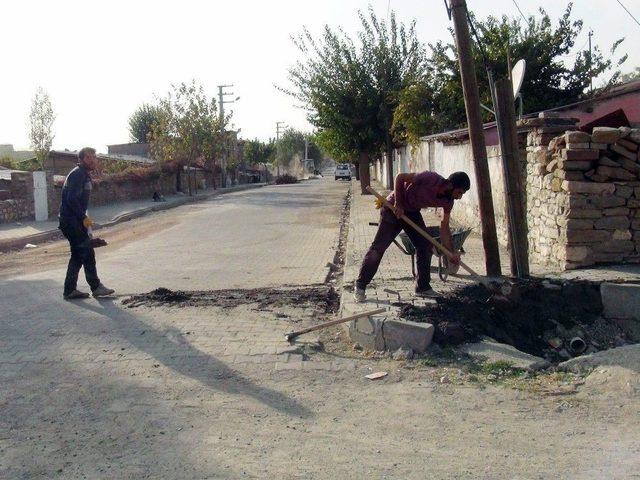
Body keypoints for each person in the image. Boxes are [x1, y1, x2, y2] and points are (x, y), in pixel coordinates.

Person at [354, 170, 471, 302]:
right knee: (378, 247)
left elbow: (444, 227)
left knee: (425, 246)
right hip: (393, 207)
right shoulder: (430, 178)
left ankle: (422, 287)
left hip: (412, 212)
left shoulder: (448, 202)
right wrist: (398, 203)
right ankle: (360, 286)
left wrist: (450, 253)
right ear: (450, 185)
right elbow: (400, 177)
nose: (460, 197)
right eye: (460, 192)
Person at [58, 147, 115, 300]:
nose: (92, 160)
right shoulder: (78, 175)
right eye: (88, 157)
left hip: (73, 220)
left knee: (78, 255)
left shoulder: (82, 174)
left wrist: (84, 219)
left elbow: (78, 200)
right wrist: (83, 218)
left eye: (94, 157)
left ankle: (70, 290)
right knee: (87, 252)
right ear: (81, 159)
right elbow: (71, 199)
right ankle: (96, 287)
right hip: (71, 222)